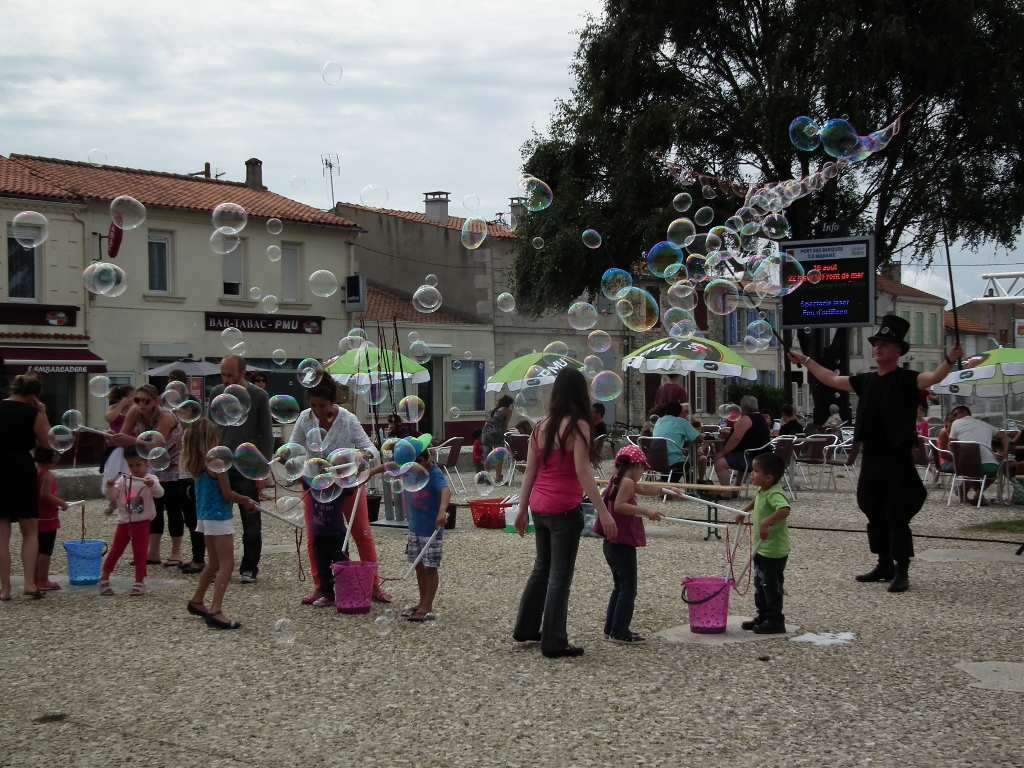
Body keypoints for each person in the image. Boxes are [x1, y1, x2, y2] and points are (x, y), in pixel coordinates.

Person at [787, 314, 964, 592]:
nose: (878, 347)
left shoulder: (907, 379)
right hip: (872, 454)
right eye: (876, 343)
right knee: (871, 505)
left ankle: (901, 568)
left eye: (885, 343)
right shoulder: (866, 380)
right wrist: (806, 360)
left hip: (895, 454)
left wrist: (950, 359)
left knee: (897, 510)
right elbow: (832, 378)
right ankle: (884, 563)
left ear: (898, 350)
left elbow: (934, 376)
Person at [512, 368, 617, 659]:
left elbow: (530, 471)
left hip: (539, 507)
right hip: (564, 509)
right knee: (559, 576)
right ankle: (554, 641)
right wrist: (603, 512)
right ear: (580, 394)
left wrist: (522, 509)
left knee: (541, 569)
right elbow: (583, 471)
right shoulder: (578, 426)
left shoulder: (541, 426)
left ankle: (526, 628)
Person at [289, 376, 389, 604]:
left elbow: (370, 448)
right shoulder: (305, 418)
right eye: (313, 405)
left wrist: (363, 455)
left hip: (347, 485)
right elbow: (294, 446)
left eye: (322, 406)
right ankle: (321, 588)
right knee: (314, 535)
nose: (317, 411)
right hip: (316, 486)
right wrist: (285, 455)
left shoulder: (347, 419)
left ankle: (373, 585)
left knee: (361, 533)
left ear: (332, 402)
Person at [181, 418, 256, 629]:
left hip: (205, 518)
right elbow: (227, 493)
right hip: (219, 518)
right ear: (211, 438)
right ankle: (215, 610)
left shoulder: (196, 463)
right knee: (227, 564)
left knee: (213, 562)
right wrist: (247, 500)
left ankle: (197, 601)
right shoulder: (216, 463)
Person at [594, 445, 672, 644]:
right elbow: (620, 506)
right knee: (628, 589)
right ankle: (620, 631)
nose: (643, 472)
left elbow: (644, 488)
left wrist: (665, 489)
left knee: (620, 587)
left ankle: (611, 627)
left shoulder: (619, 480)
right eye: (643, 468)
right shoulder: (627, 482)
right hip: (622, 542)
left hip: (612, 543)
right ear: (636, 465)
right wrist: (646, 511)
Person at [208, 354, 273, 584]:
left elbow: (266, 434)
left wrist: (263, 470)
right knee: (214, 518)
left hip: (247, 464)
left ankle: (249, 567)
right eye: (223, 375)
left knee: (251, 519)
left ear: (243, 373)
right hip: (218, 464)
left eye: (230, 375)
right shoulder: (217, 393)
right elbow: (210, 428)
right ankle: (216, 563)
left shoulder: (258, 395)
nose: (225, 380)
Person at [110, 383, 184, 567]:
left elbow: (156, 443)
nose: (140, 404)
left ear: (156, 401)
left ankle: (176, 552)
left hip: (173, 462)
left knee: (174, 508)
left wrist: (130, 440)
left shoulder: (165, 417)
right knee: (153, 507)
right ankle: (153, 552)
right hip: (153, 463)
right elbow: (122, 437)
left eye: (145, 401)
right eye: (137, 400)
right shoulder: (135, 413)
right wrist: (112, 435)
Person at [0, 374, 52, 600]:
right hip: (22, 467)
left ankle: (5, 589)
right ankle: (29, 583)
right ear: (33, 395)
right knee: (30, 531)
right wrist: (42, 411)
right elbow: (49, 442)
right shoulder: (33, 413)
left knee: (1, 534)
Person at [394, 434, 450, 621]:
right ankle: (421, 601)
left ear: (422, 460)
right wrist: (369, 473)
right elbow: (391, 468)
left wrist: (442, 512)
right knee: (418, 566)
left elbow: (445, 490)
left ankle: (428, 605)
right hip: (415, 527)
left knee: (429, 568)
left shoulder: (434, 474)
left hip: (431, 530)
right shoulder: (414, 469)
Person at [736, 453, 791, 634]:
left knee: (771, 586)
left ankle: (776, 620)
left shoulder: (775, 492)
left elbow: (784, 509)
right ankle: (763, 614)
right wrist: (744, 510)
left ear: (769, 477)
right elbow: (756, 500)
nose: (751, 474)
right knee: (760, 584)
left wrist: (766, 522)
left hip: (773, 551)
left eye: (755, 471)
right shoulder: (763, 489)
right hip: (761, 549)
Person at [100, 445, 165, 596]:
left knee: (140, 554)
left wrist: (152, 485)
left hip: (142, 522)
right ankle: (104, 579)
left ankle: (139, 582)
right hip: (123, 523)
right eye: (131, 465)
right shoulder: (123, 479)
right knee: (115, 551)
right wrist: (109, 487)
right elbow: (112, 497)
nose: (134, 469)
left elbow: (160, 494)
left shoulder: (151, 478)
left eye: (138, 465)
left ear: (146, 463)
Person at [165, 373, 204, 575]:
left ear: (190, 411)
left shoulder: (195, 432)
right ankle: (195, 557)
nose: (177, 412)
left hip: (191, 479)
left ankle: (199, 559)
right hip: (182, 477)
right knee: (189, 519)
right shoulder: (186, 431)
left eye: (181, 409)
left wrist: (182, 445)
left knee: (194, 519)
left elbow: (196, 458)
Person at [948, 405, 1008, 506]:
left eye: (955, 414)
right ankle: (978, 493)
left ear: (965, 413)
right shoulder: (985, 425)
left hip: (964, 466)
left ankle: (973, 493)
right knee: (998, 467)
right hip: (987, 465)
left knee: (970, 465)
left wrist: (956, 458)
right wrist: (1004, 451)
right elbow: (1004, 437)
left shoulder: (956, 423)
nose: (953, 417)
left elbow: (951, 444)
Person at [713, 395, 771, 489]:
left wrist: (721, 453)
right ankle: (736, 490)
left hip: (751, 457)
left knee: (719, 463)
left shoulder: (746, 419)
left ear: (742, 408)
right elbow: (750, 436)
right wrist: (729, 435)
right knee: (739, 461)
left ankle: (726, 492)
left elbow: (736, 439)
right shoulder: (760, 418)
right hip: (761, 455)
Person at [34, 446, 68, 591]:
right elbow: (46, 495)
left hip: (36, 517)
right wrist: (61, 502)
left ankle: (34, 578)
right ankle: (43, 580)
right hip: (47, 518)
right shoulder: (47, 475)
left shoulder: (36, 472)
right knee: (46, 550)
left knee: (36, 549)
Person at [101, 384, 134, 514]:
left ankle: (127, 500)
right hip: (114, 446)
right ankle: (113, 501)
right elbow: (110, 418)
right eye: (131, 396)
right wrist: (121, 405)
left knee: (128, 474)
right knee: (112, 473)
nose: (133, 399)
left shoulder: (134, 410)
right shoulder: (113, 408)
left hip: (130, 446)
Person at [652, 402, 703, 482]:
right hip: (672, 460)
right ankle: (670, 488)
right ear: (679, 412)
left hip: (655, 459)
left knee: (682, 464)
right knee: (685, 465)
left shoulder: (659, 420)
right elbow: (699, 438)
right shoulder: (681, 421)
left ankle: (664, 483)